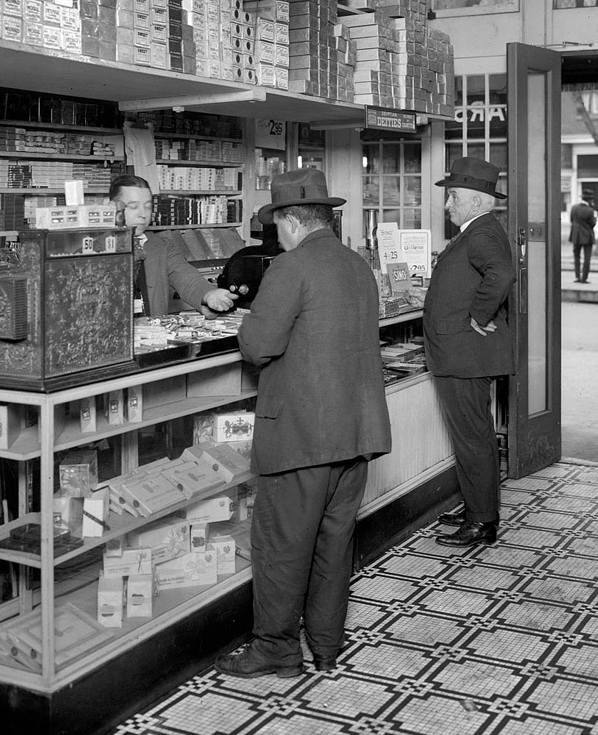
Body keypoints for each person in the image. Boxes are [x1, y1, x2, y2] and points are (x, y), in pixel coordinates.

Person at [215, 167, 392, 678]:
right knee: (333, 547)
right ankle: (326, 646)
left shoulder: (290, 268)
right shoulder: (357, 266)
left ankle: (275, 649)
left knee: (281, 546)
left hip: (301, 434)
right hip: (356, 432)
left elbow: (259, 345)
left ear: (290, 222)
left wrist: (248, 322)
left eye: (277, 225)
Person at [410, 156, 515, 548]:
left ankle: (482, 522)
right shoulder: (477, 229)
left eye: (453, 196)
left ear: (476, 201)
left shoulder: (482, 233)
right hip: (463, 353)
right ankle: (478, 507)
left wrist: (477, 314)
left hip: (465, 353)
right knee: (476, 437)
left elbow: (501, 273)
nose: (448, 204)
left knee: (472, 439)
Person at [109, 174, 238, 316]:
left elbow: (186, 277)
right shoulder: (94, 248)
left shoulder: (161, 246)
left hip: (151, 333)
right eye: (133, 207)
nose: (143, 214)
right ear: (112, 207)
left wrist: (209, 294)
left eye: (148, 207)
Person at [569, 189, 597, 284]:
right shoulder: (590, 210)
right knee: (587, 258)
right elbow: (592, 224)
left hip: (576, 235)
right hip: (587, 236)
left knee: (576, 256)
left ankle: (577, 276)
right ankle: (584, 278)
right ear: (589, 200)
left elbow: (572, 220)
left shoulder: (574, 208)